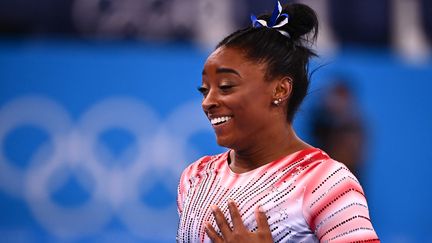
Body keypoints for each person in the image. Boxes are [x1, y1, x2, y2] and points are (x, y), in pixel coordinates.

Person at [176, 1, 379, 242]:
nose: (207, 102)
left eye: (226, 87)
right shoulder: (196, 176)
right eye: (204, 90)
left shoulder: (326, 182)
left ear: (280, 89)